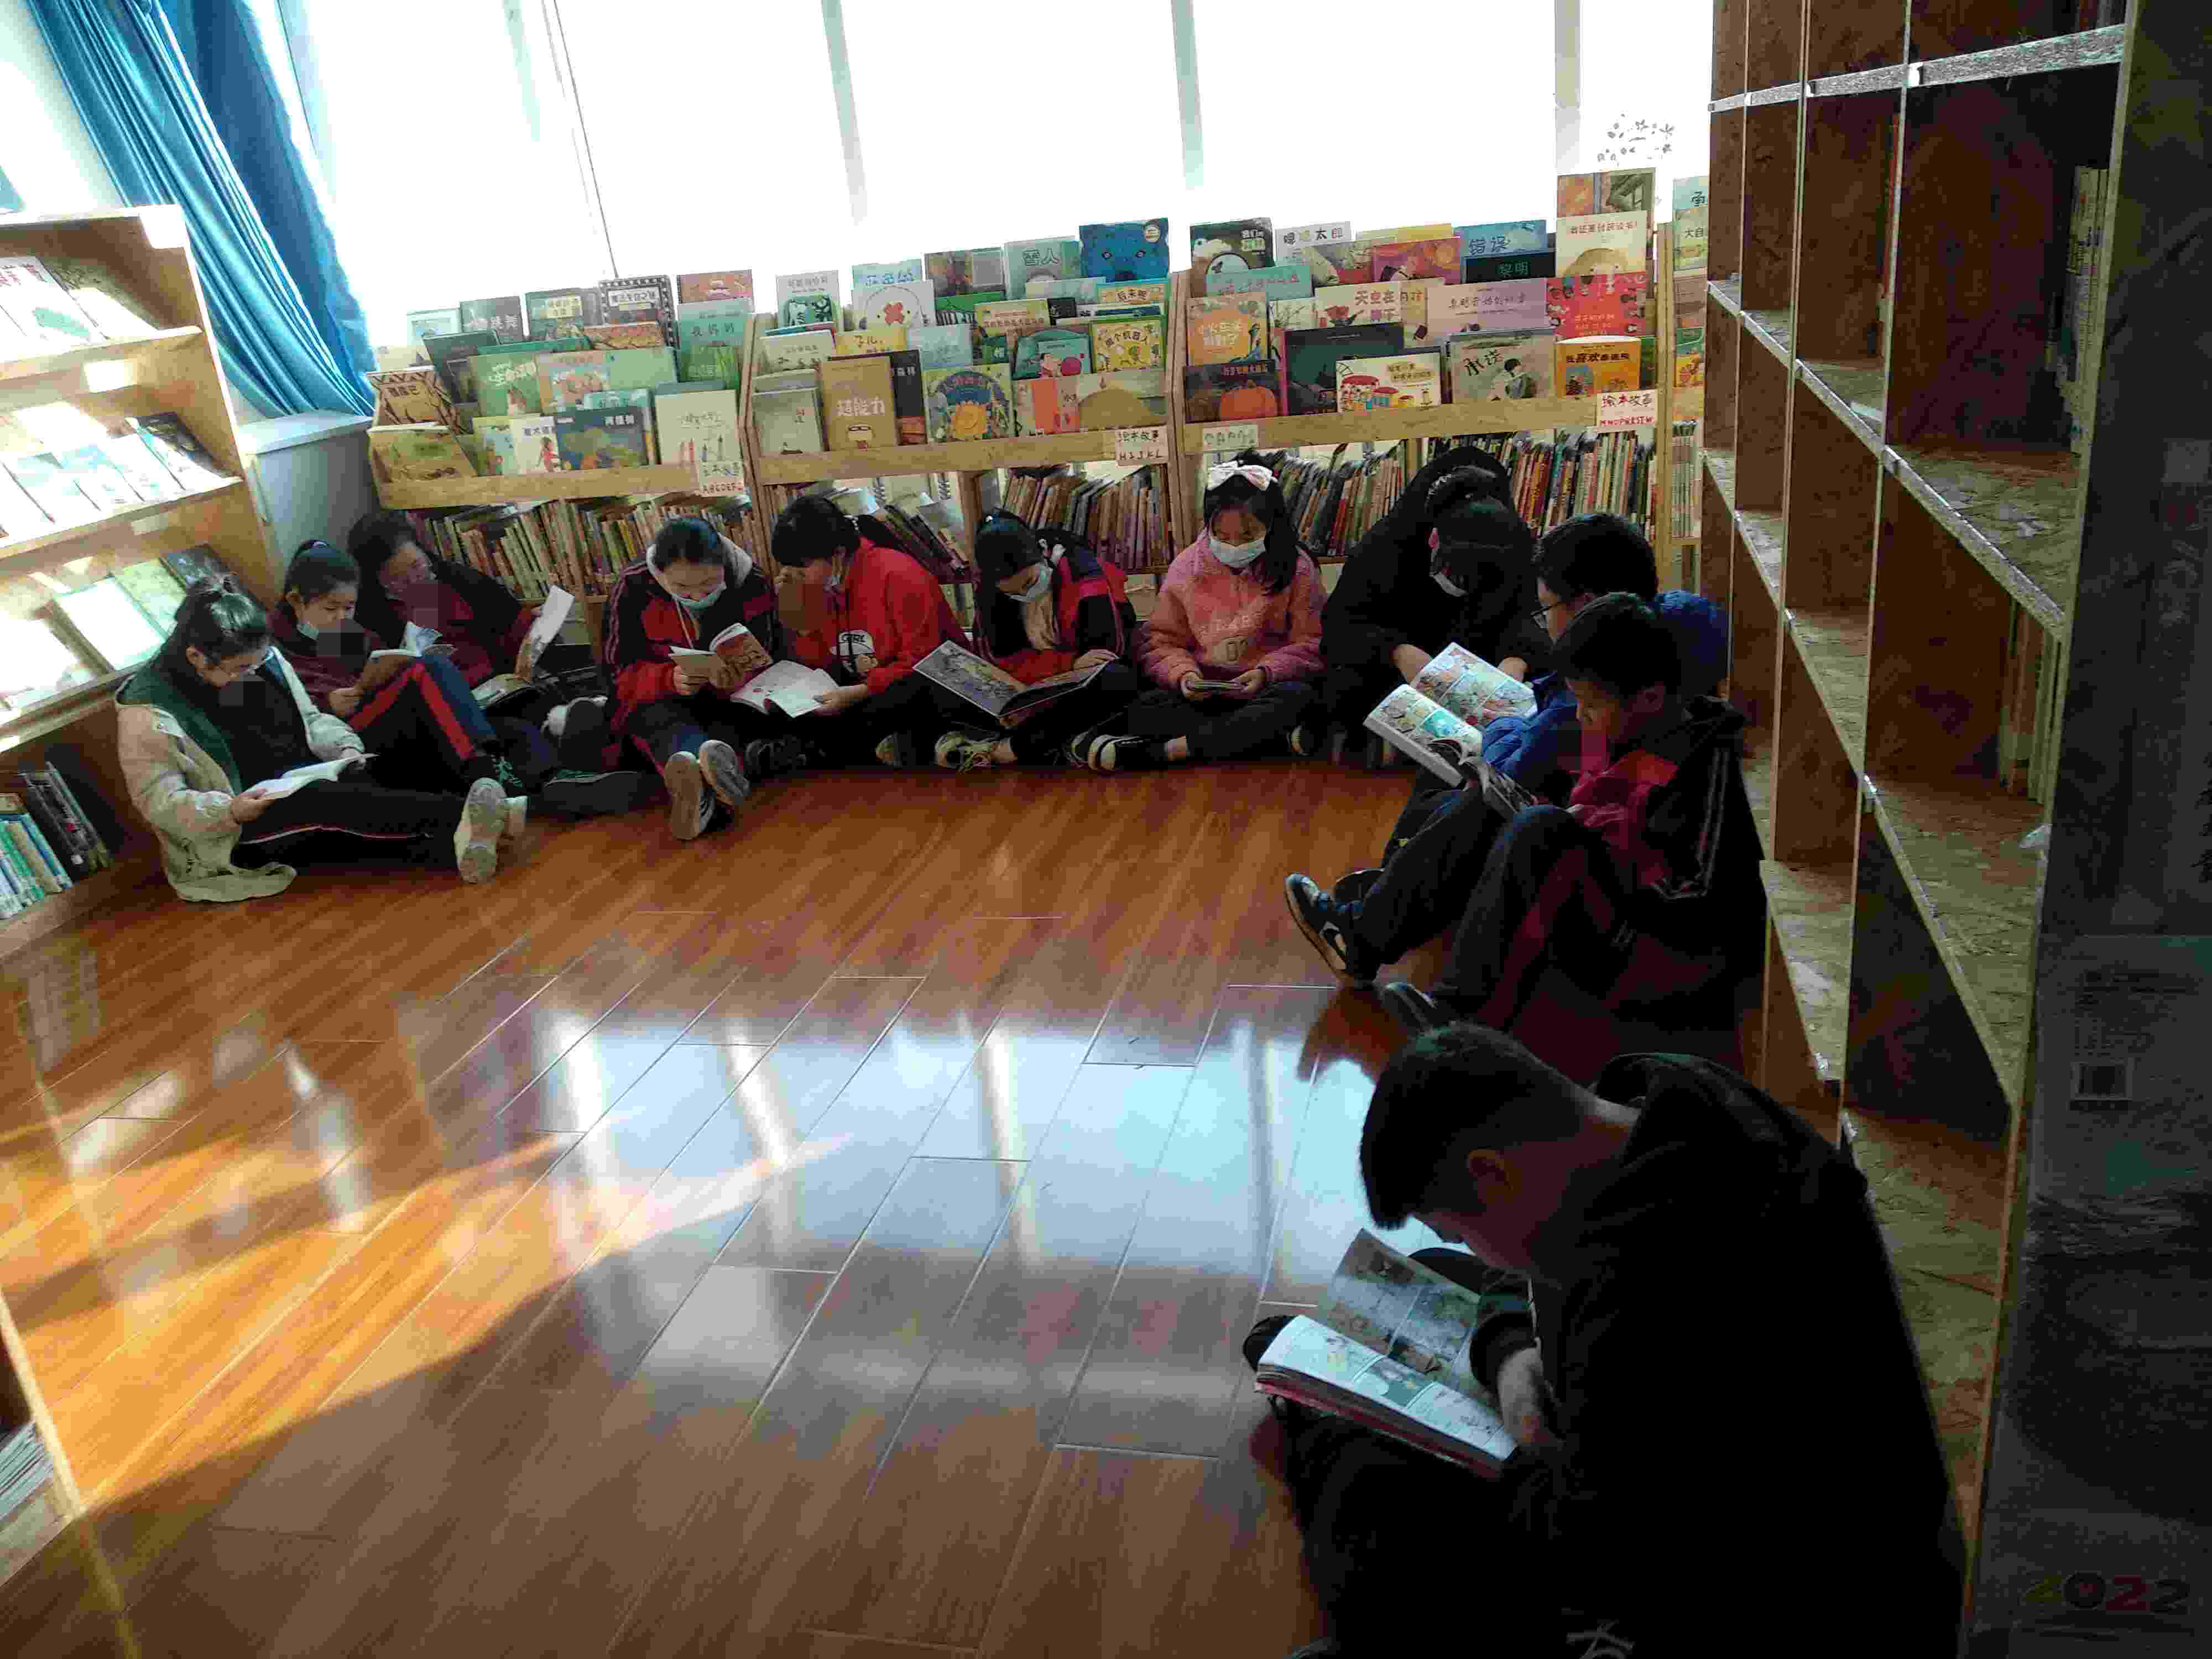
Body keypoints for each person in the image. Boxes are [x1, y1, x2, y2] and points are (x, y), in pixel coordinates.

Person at [1243, 1024, 1963, 1657]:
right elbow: (1530, 1282)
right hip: (1737, 1449)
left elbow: (1592, 1553)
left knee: (1374, 1505)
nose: (1474, 1248)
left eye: (1461, 1227)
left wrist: (1488, 1461)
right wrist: (1509, 1353)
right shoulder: (1666, 1092)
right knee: (1437, 1275)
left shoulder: (1643, 1302)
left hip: (1769, 1587)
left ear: (1491, 1174)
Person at [1285, 594, 1762, 1045]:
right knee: (1492, 803)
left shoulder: (1706, 760)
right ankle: (1360, 938)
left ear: (1652, 698)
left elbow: (1693, 905)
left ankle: (1460, 1019)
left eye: (1591, 706)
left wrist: (1591, 843)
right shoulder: (1627, 723)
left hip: (1653, 950)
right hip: (1607, 899)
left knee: (1538, 830)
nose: (1582, 715)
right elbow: (1597, 797)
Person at [115, 576, 512, 900]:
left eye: (257, 663)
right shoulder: (148, 710)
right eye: (239, 669)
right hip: (236, 824)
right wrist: (229, 811)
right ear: (197, 658)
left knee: (376, 769)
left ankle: (480, 808)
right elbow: (159, 802)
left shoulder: (257, 655)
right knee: (322, 799)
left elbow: (310, 719)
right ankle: (471, 818)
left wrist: (345, 747)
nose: (250, 675)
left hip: (301, 772)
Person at [270, 540, 637, 820]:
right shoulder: (275, 649)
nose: (341, 617)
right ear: (297, 601)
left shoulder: (354, 633)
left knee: (505, 725)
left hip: (387, 714)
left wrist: (391, 668)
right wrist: (327, 703)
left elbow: (381, 665)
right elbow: (291, 718)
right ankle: (491, 775)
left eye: (349, 607)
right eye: (330, 609)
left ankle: (558, 779)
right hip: (348, 737)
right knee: (432, 673)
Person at [1077, 453, 1324, 771]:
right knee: (1146, 708)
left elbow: (1313, 644)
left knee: (1298, 699)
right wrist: (1184, 675)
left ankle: (1168, 751)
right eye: (1221, 536)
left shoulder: (1298, 568)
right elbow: (1160, 642)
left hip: (1267, 689)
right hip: (1205, 695)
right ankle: (1268, 741)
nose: (1233, 546)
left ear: (1272, 525)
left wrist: (1267, 672)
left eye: (1248, 536)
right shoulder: (1186, 567)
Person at [1314, 441, 1551, 747]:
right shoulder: (1386, 547)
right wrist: (1396, 650)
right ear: (1434, 539)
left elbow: (1535, 616)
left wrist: (1517, 660)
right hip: (1401, 673)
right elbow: (1338, 629)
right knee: (1344, 685)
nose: (1464, 584)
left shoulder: (1513, 542)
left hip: (1484, 677)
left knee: (1548, 689)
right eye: (1455, 570)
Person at [1481, 512, 1729, 805]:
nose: (1545, 623)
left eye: (1546, 609)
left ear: (1586, 606)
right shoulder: (1692, 618)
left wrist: (1501, 723)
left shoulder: (1582, 705)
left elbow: (1507, 774)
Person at [883, 510, 1141, 771]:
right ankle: (1058, 744)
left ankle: (1007, 748)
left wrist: (1068, 668)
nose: (1024, 593)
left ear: (1042, 550)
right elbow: (999, 660)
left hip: (1070, 695)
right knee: (926, 683)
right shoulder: (990, 595)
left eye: (1029, 582)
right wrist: (1064, 666)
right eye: (1012, 592)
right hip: (1022, 697)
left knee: (1115, 679)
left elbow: (1105, 653)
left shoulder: (1084, 571)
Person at [601, 515, 803, 841]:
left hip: (729, 703)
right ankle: (712, 778)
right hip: (663, 701)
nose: (696, 596)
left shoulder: (751, 582)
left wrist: (735, 680)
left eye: (709, 584)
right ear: (659, 574)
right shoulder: (633, 586)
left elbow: (767, 657)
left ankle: (701, 786)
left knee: (737, 721)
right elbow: (616, 675)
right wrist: (669, 679)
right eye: (681, 587)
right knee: (661, 720)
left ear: (723, 565)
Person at [769, 494, 968, 766]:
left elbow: (924, 660)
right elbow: (820, 662)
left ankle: (811, 752)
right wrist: (797, 613)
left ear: (837, 554)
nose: (795, 578)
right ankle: (814, 751)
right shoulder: (816, 587)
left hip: (918, 682)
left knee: (898, 701)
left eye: (802, 572)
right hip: (860, 686)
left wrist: (859, 692)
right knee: (783, 710)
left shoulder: (898, 574)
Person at [346, 509, 557, 696]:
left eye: (416, 566)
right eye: (397, 578)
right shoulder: (369, 614)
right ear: (375, 580)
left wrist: (532, 622)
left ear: (423, 551)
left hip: (495, 685)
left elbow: (509, 627)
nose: (414, 580)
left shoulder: (461, 581)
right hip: (434, 705)